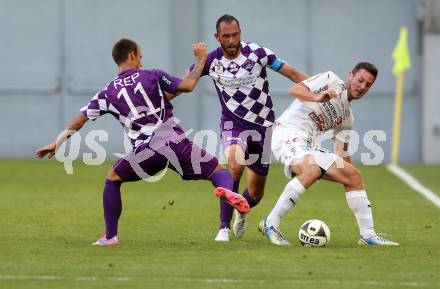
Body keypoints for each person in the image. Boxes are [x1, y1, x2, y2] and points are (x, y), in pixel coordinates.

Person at [36, 38, 250, 246]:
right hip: (175, 140)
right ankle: (228, 191)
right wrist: (201, 59)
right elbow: (188, 85)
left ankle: (110, 236)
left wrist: (58, 142)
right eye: (140, 56)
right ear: (131, 55)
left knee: (112, 178)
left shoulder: (107, 93)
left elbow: (80, 120)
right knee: (217, 171)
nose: (142, 61)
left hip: (147, 152)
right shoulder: (151, 75)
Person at [189, 14, 308, 241]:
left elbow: (291, 73)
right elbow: (187, 83)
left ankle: (241, 214)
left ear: (240, 33)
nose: (232, 40)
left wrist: (318, 86)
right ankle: (223, 227)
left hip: (263, 128)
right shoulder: (211, 61)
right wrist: (199, 61)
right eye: (226, 36)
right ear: (217, 37)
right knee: (234, 165)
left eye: (235, 35)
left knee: (255, 194)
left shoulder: (258, 53)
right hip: (233, 124)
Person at [259, 62, 399, 246]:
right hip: (286, 134)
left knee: (354, 176)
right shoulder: (330, 80)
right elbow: (295, 90)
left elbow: (342, 153)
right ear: (351, 75)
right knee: (313, 169)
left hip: (307, 146)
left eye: (368, 84)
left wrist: (347, 177)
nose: (362, 86)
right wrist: (317, 97)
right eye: (360, 80)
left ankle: (368, 235)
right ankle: (270, 223)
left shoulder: (347, 117)